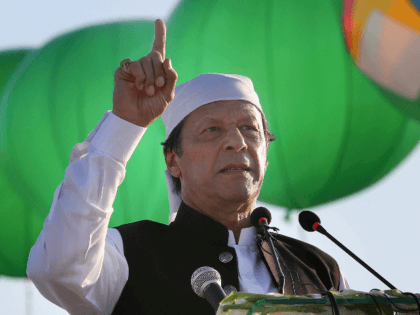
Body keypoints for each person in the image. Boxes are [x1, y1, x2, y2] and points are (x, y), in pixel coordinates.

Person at [27, 19, 350, 315]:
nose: (236, 142)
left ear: (265, 156)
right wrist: (125, 124)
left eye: (250, 129)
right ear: (173, 160)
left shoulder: (317, 267)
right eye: (212, 130)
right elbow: (58, 270)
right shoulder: (130, 251)